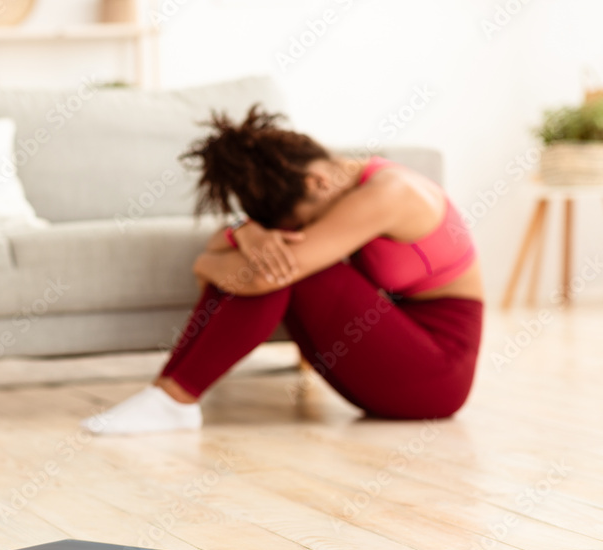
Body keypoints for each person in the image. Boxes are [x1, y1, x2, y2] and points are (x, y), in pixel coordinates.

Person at [80, 103, 484, 435]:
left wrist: (207, 263)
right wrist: (248, 232)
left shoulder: (388, 194)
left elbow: (262, 270)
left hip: (436, 375)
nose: (301, 231)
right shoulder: (344, 183)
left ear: (317, 182)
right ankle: (170, 396)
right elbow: (226, 240)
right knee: (275, 259)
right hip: (388, 353)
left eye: (300, 223)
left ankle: (174, 399)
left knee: (287, 268)